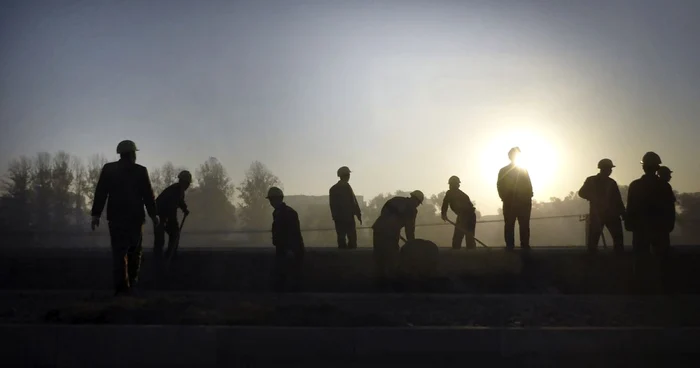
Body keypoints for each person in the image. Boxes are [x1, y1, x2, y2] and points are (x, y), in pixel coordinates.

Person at [90, 140, 158, 296]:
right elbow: (148, 195)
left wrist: (96, 215)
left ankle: (121, 289)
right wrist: (154, 215)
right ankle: (132, 285)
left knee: (119, 254)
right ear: (133, 154)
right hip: (135, 219)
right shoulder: (140, 171)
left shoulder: (109, 169)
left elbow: (101, 193)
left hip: (116, 219)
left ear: (120, 154)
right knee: (135, 253)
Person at [626, 152, 676, 256]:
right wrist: (669, 225)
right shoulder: (664, 186)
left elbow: (630, 207)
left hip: (640, 228)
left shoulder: (635, 185)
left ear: (643, 167)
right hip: (660, 228)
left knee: (640, 260)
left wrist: (629, 223)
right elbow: (670, 208)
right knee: (662, 260)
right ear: (657, 167)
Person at [371, 190, 424, 288]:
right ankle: (389, 283)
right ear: (416, 201)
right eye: (418, 203)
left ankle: (378, 283)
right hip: (390, 233)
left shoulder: (396, 200)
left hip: (378, 229)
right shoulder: (412, 209)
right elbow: (410, 229)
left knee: (379, 255)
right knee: (392, 257)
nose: (417, 206)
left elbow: (383, 212)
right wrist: (411, 244)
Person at [578, 159, 626, 253]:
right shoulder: (593, 180)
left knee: (617, 240)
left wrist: (623, 212)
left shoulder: (610, 182)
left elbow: (618, 200)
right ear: (603, 169)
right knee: (594, 241)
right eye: (609, 168)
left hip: (605, 215)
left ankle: (615, 261)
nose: (610, 171)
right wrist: (593, 197)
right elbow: (582, 193)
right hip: (603, 215)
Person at [267, 186, 305, 292]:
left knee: (290, 278)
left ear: (277, 199)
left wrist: (291, 250)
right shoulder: (280, 212)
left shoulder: (287, 213)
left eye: (271, 199)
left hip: (290, 250)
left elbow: (293, 233)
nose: (271, 202)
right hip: (284, 249)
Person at [497, 147, 533, 250]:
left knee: (519, 225)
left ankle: (518, 245)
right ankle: (516, 245)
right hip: (514, 202)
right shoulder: (518, 170)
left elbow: (528, 186)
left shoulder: (519, 170)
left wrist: (528, 197)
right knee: (514, 225)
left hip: (519, 202)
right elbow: (500, 186)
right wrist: (505, 198)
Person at [154, 170, 192, 261]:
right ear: (184, 182)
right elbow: (171, 206)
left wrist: (184, 209)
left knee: (173, 235)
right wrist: (170, 220)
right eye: (187, 183)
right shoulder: (176, 190)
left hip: (161, 214)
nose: (188, 186)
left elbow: (180, 202)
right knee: (168, 236)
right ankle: (163, 258)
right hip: (161, 215)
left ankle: (167, 256)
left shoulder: (178, 190)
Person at [329, 166, 362, 249]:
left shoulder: (333, 189)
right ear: (345, 176)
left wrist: (335, 217)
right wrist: (358, 214)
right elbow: (353, 202)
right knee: (352, 239)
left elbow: (332, 205)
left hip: (339, 219)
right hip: (348, 218)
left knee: (341, 239)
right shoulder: (347, 187)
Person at [441, 176, 477, 249]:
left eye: (452, 184)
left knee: (459, 238)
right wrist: (443, 214)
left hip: (466, 216)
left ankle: (458, 254)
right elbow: (445, 204)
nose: (450, 186)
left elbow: (445, 204)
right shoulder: (458, 194)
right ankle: (471, 254)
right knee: (467, 238)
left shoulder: (451, 193)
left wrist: (443, 214)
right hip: (467, 216)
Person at [657, 166, 676, 250]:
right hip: (662, 224)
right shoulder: (665, 186)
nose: (670, 177)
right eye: (668, 174)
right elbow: (669, 206)